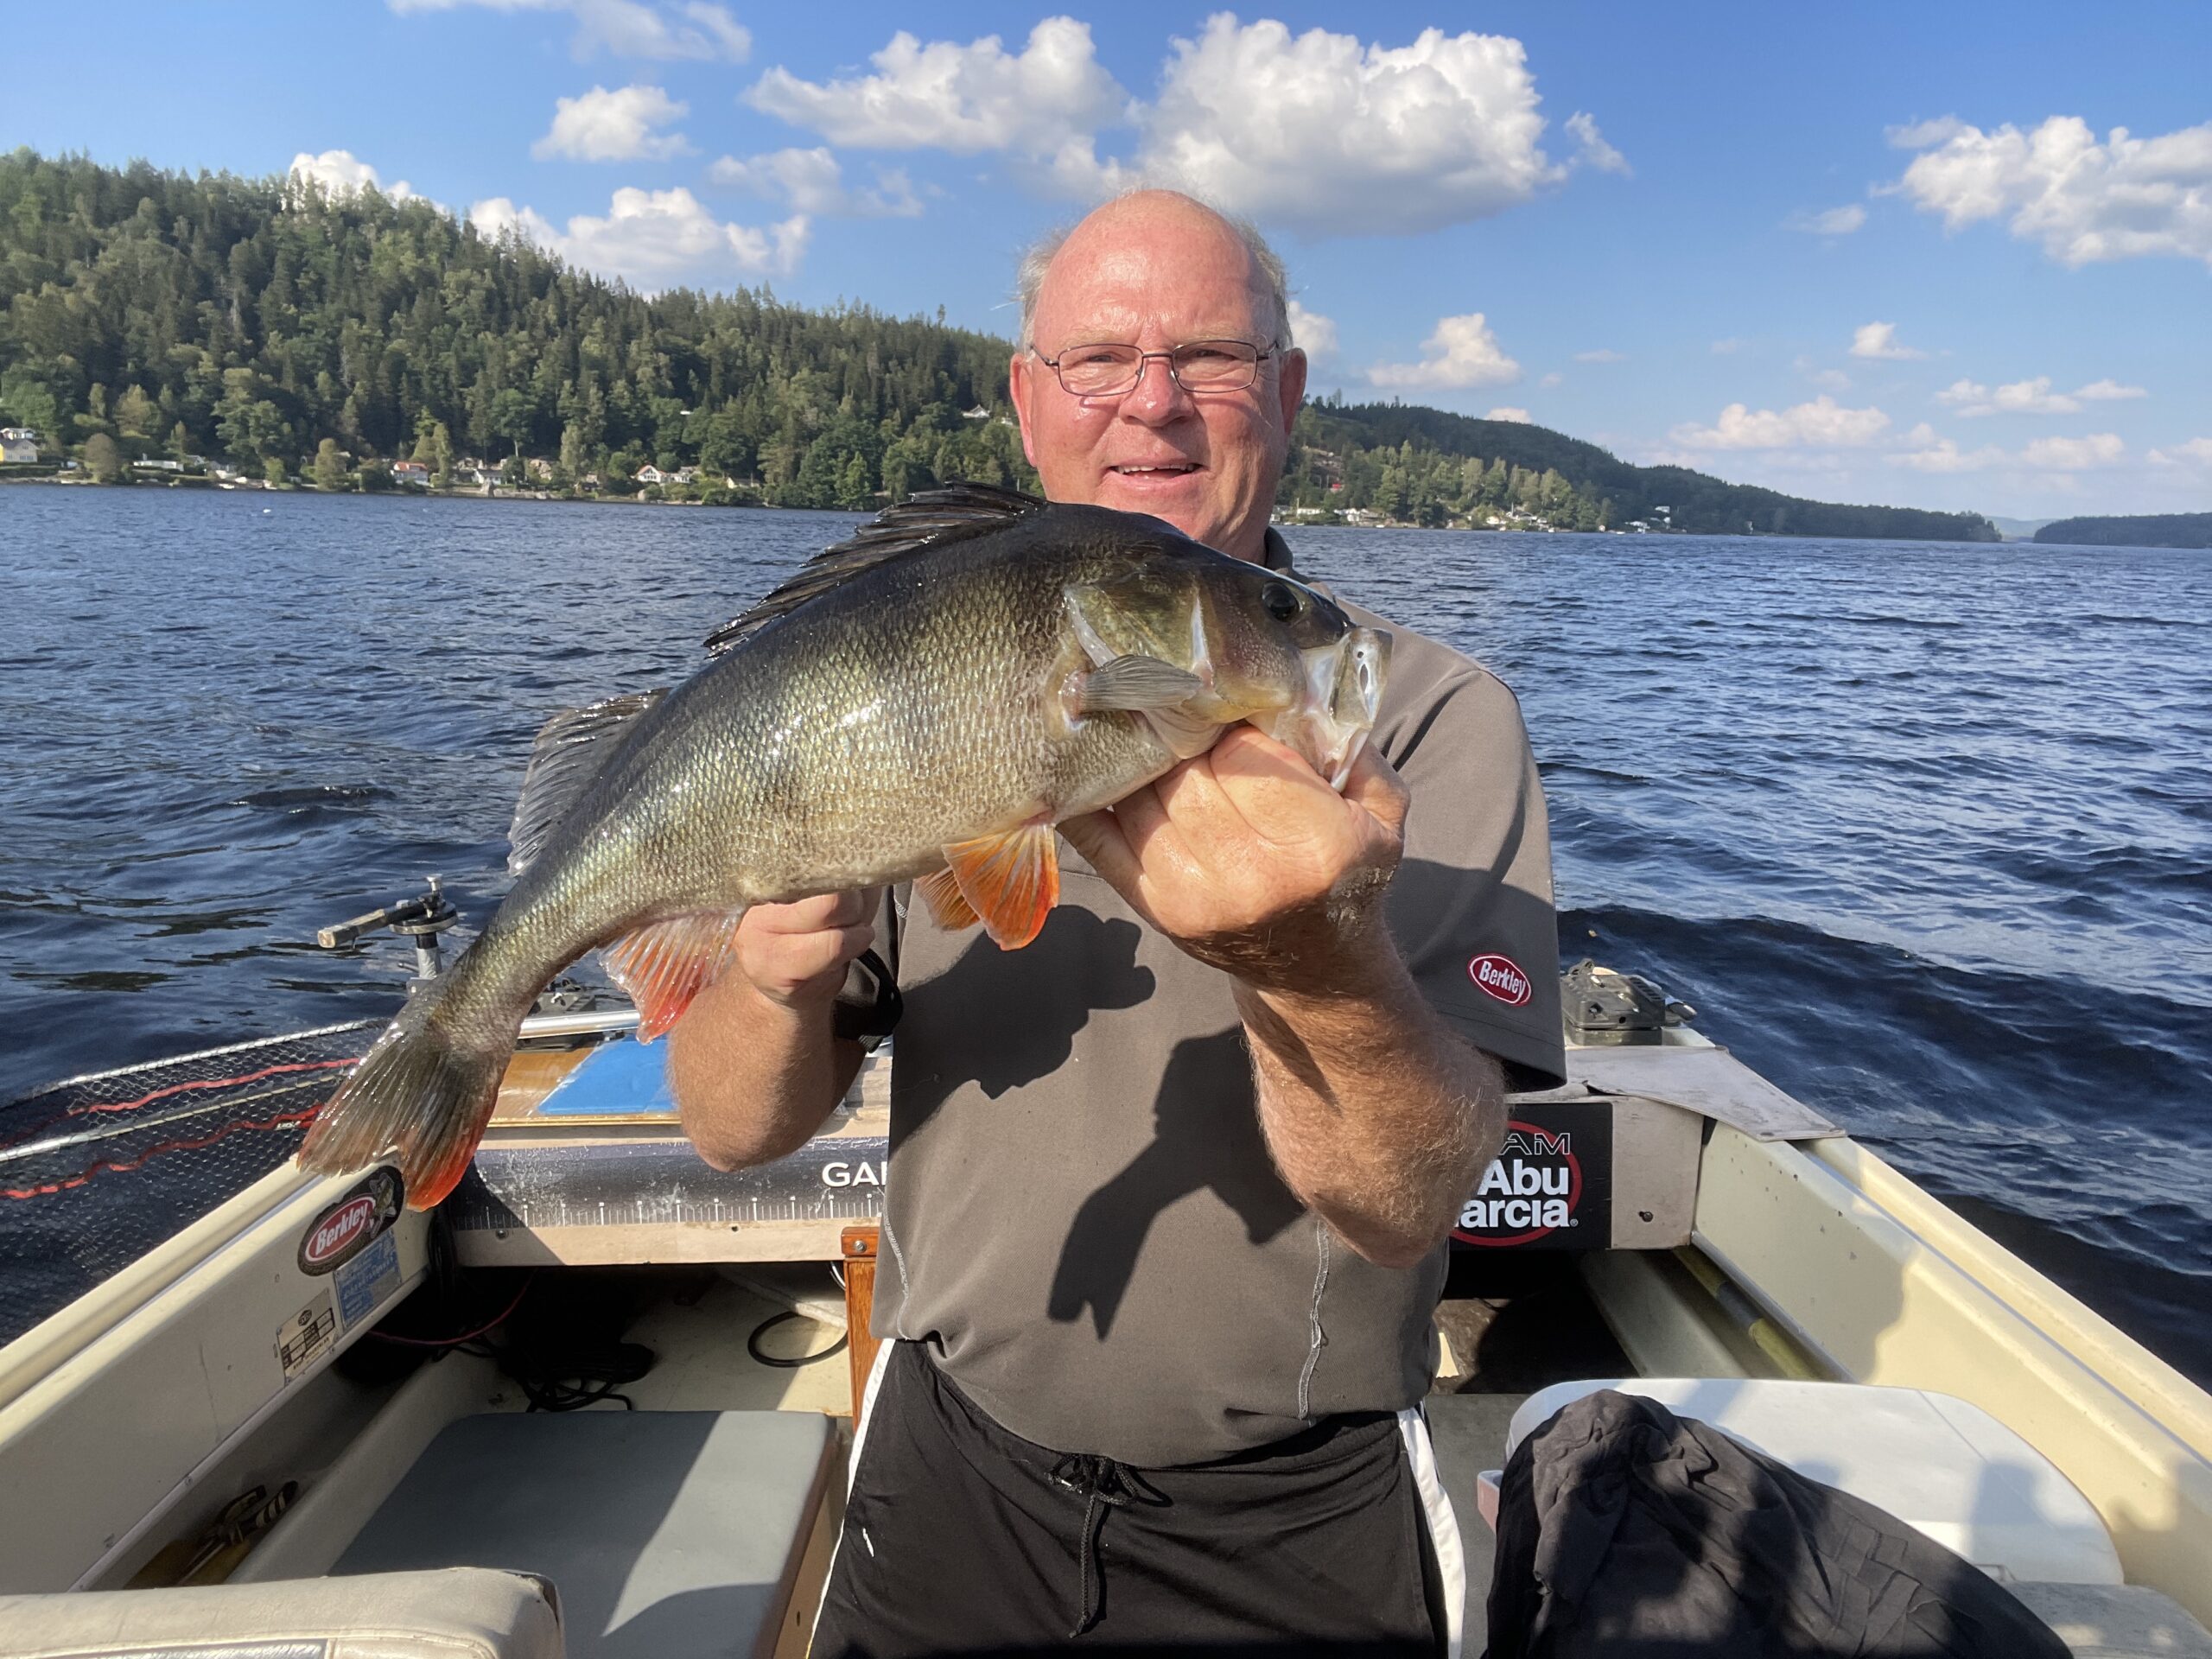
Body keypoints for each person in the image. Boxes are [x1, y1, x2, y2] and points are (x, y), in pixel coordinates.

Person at [670, 190, 1564, 1656]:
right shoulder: (899, 696)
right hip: (949, 1462)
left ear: (1286, 393)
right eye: (1097, 361)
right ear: (1029, 403)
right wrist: (774, 984)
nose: (1153, 406)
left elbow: (1414, 1201)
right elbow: (728, 1130)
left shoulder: (1421, 717)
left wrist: (1318, 963)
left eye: (1212, 355)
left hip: (1292, 1516)